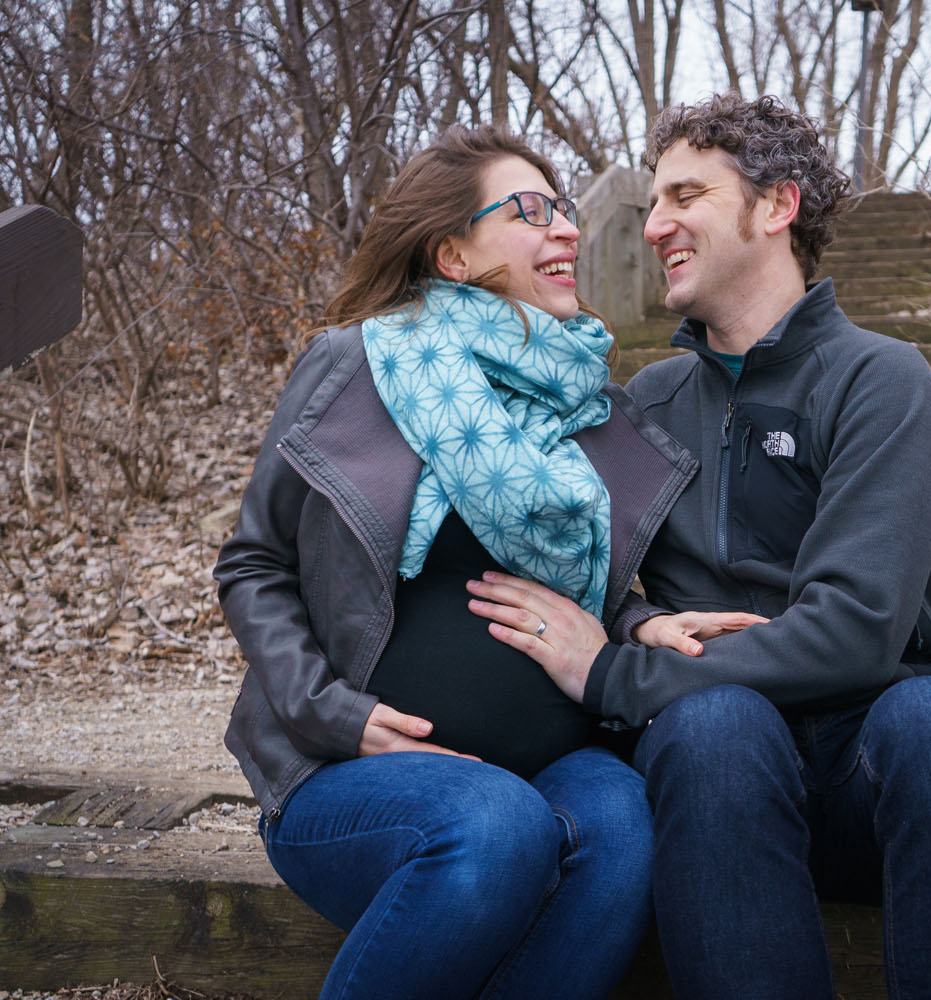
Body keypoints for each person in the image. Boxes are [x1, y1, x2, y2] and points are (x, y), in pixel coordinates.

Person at [465, 95, 931, 998]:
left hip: (874, 777)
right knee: (714, 726)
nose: (654, 224)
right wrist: (637, 621)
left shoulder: (880, 381)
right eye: (651, 202)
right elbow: (592, 572)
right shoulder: (643, 405)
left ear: (776, 207)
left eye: (685, 195)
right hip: (717, 796)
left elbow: (854, 632)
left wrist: (615, 673)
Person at [214, 124, 758, 1000]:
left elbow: (575, 583)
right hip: (346, 775)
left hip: (554, 755)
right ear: (452, 253)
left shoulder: (592, 404)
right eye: (531, 211)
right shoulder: (355, 367)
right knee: (496, 823)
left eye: (566, 210)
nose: (568, 230)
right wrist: (330, 714)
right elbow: (253, 565)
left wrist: (640, 620)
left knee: (625, 827)